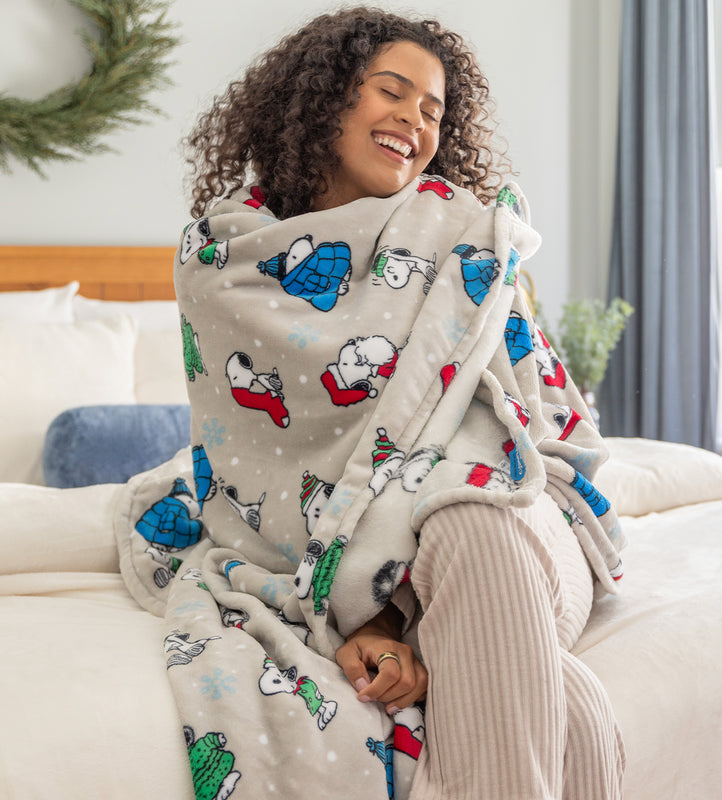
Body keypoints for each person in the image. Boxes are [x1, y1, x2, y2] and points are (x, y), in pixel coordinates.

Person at [131, 7, 626, 799]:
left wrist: (384, 600)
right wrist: (371, 612)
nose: (414, 121)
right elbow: (259, 473)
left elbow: (528, 421)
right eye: (391, 92)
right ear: (324, 97)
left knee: (472, 512)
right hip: (359, 559)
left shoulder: (466, 235)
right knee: (560, 704)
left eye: (433, 111)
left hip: (522, 516)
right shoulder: (225, 259)